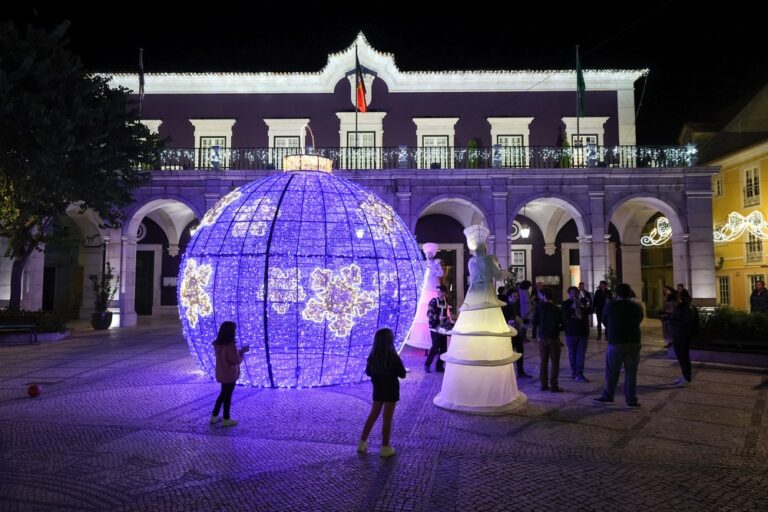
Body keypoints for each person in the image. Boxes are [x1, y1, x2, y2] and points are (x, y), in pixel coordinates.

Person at [593, 283, 644, 407]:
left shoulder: (610, 306)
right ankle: (631, 399)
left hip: (616, 341)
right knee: (631, 372)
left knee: (612, 371)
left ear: (616, 293)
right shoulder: (636, 307)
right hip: (633, 341)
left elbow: (604, 321)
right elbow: (639, 320)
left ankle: (608, 395)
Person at [358, 328, 406, 458]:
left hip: (378, 389)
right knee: (387, 418)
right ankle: (385, 447)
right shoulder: (393, 357)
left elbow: (368, 372)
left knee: (373, 414)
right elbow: (402, 374)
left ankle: (362, 443)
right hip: (391, 390)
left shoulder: (372, 356)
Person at [210, 321, 250, 427]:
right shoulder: (230, 345)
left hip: (221, 373)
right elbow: (235, 360)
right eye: (234, 330)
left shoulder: (218, 344)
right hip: (230, 374)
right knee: (227, 396)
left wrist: (239, 352)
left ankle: (214, 416)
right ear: (231, 332)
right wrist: (242, 352)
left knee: (223, 394)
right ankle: (226, 419)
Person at [532, 287, 566, 392]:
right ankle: (554, 386)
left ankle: (543, 384)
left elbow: (534, 322)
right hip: (554, 338)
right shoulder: (558, 309)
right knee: (555, 363)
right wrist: (556, 329)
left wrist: (541, 327)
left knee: (543, 362)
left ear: (543, 296)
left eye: (540, 295)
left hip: (542, 338)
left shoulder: (539, 307)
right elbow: (564, 325)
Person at [562, 286, 590, 382]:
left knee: (581, 355)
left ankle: (579, 373)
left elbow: (589, 311)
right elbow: (564, 314)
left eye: (575, 293)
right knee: (572, 354)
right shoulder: (565, 303)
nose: (574, 295)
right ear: (569, 294)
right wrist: (572, 307)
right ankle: (573, 372)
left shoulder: (583, 302)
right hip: (570, 332)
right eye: (572, 293)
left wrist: (582, 304)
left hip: (583, 332)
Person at [425, 285, 453, 373]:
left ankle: (439, 366)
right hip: (434, 328)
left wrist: (447, 319)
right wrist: (438, 317)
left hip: (442, 328)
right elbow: (428, 314)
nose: (439, 293)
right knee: (435, 347)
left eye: (441, 291)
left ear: (444, 292)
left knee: (444, 348)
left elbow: (445, 314)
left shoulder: (445, 302)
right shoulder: (433, 301)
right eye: (438, 291)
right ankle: (427, 365)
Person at [668, 294, 693, 387]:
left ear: (676, 300)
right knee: (680, 358)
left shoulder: (686, 308)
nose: (672, 305)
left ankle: (687, 378)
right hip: (676, 336)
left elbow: (685, 323)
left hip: (683, 336)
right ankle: (684, 376)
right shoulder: (678, 308)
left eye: (672, 303)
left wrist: (672, 322)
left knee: (684, 358)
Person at [506, 289, 532, 378]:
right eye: (515, 296)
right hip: (509, 334)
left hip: (517, 333)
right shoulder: (505, 307)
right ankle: (508, 373)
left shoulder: (517, 305)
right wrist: (509, 321)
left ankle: (520, 372)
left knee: (520, 352)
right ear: (509, 297)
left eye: (517, 296)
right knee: (509, 354)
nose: (517, 298)